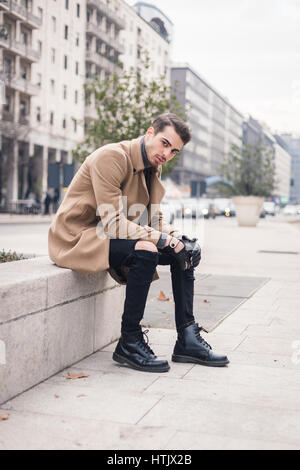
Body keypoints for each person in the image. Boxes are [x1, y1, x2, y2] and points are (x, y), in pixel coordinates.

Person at [48, 113, 229, 373]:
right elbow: (113, 223)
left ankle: (187, 338)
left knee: (184, 252)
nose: (167, 154)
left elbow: (152, 219)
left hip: (108, 235)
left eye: (174, 151)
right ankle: (129, 341)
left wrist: (178, 237)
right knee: (146, 249)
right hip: (79, 237)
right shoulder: (112, 157)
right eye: (164, 143)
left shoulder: (153, 166)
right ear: (149, 133)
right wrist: (163, 239)